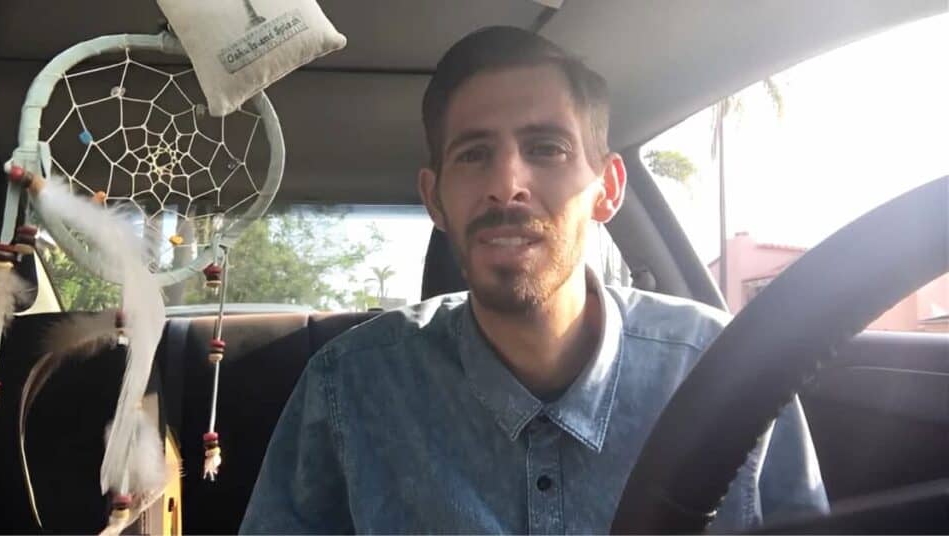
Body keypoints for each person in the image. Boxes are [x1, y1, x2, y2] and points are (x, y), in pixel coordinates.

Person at [240, 26, 828, 533]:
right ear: (434, 200)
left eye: (546, 148)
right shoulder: (350, 386)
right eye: (473, 155)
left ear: (608, 188)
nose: (508, 184)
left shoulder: (727, 371)